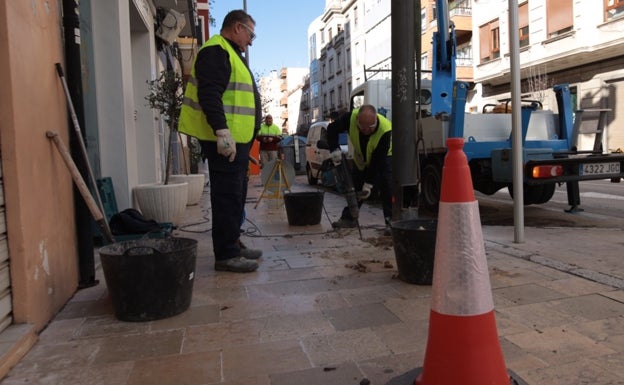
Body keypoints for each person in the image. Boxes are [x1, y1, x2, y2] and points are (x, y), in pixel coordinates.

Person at [178, 9, 263, 273]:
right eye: (251, 34)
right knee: (227, 196)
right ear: (237, 28)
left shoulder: (228, 52)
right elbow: (210, 94)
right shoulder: (216, 51)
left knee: (235, 196)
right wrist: (222, 132)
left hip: (237, 142)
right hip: (226, 142)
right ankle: (226, 255)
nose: (251, 40)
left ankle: (233, 243)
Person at [327, 104, 393, 235]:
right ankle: (349, 218)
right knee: (356, 187)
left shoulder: (385, 129)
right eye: (363, 128)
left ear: (375, 120)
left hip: (384, 157)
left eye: (371, 127)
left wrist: (368, 184)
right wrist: (334, 149)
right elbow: (331, 129)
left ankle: (390, 221)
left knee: (387, 185)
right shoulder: (349, 118)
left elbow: (376, 161)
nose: (367, 131)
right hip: (361, 157)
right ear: (357, 120)